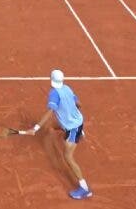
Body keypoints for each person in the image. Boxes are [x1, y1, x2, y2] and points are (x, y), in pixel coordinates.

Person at [23, 70, 91, 200]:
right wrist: (71, 112)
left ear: (51, 80)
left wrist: (35, 128)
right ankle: (78, 131)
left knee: (68, 157)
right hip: (78, 121)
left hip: (72, 128)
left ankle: (85, 189)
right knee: (53, 126)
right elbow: (79, 104)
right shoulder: (67, 88)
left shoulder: (54, 94)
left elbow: (50, 112)